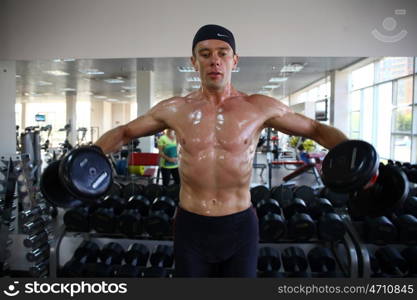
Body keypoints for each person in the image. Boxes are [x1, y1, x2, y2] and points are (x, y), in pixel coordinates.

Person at [94, 24, 348, 277]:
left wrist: (354, 157)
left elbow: (314, 129)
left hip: (239, 225)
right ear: (194, 62)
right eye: (205, 54)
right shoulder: (175, 109)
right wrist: (88, 157)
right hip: (191, 225)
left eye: (222, 53)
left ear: (234, 60)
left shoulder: (258, 107)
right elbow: (125, 132)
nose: (214, 60)